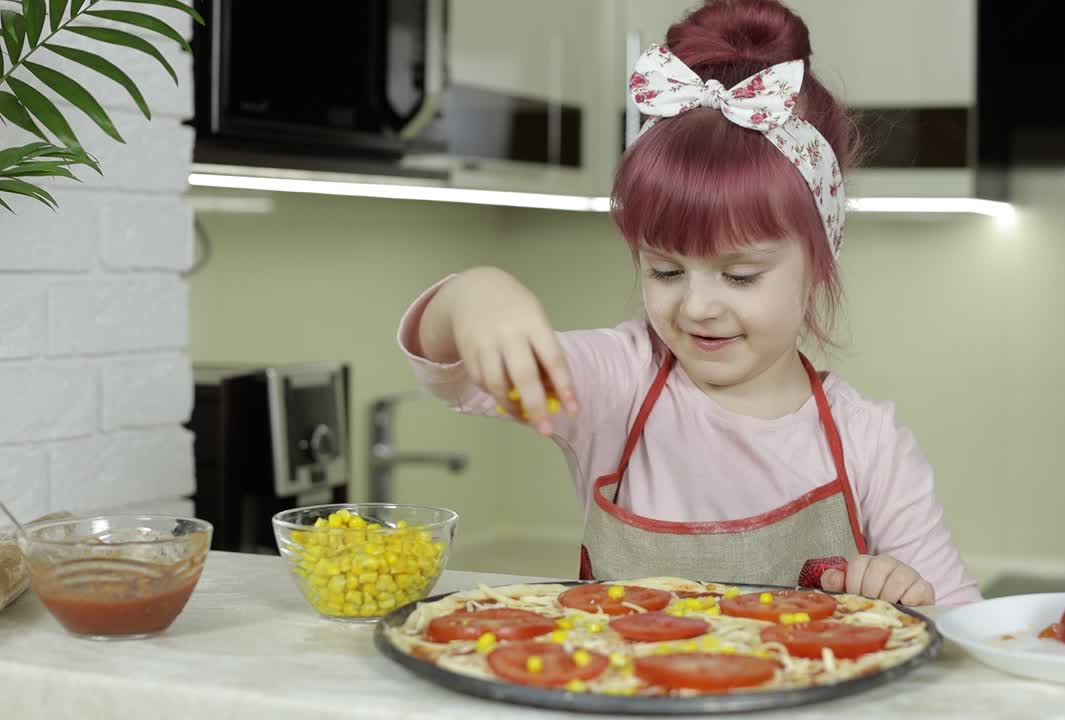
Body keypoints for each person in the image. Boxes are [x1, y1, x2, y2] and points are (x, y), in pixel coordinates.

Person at [396, 0, 981, 606]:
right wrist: (473, 295)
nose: (698, 306)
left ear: (818, 262)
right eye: (666, 269)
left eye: (741, 275)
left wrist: (906, 595)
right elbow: (456, 375)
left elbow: (962, 630)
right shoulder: (620, 382)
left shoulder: (870, 442)